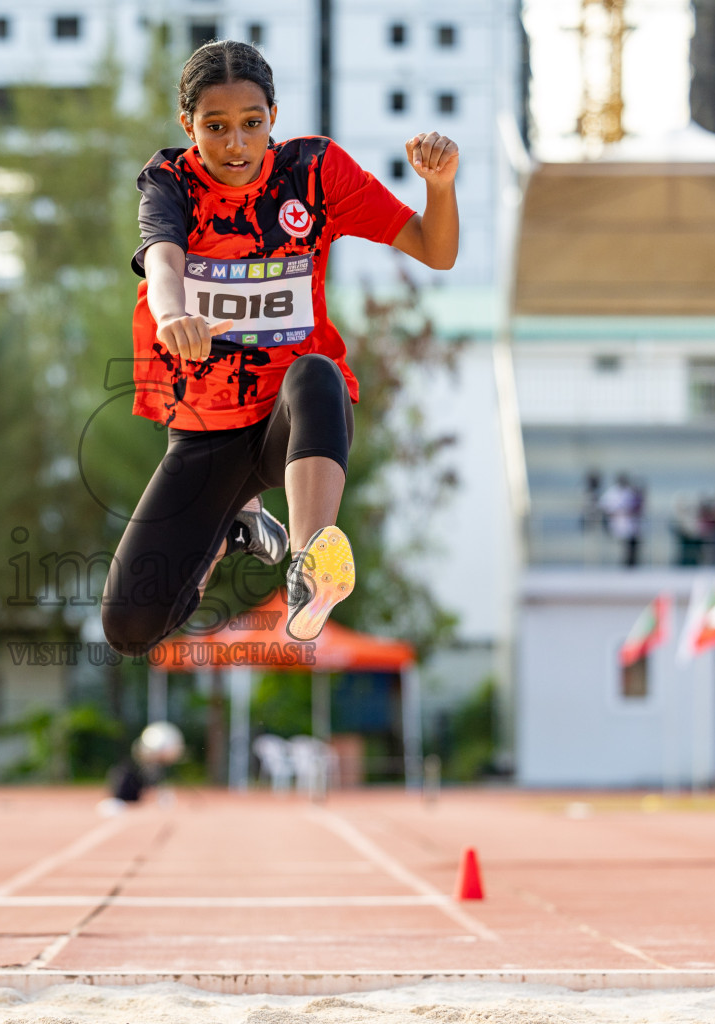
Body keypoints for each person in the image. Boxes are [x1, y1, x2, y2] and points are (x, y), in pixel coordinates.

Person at [101, 40, 459, 653]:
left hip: (290, 426)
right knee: (128, 629)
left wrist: (441, 187)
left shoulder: (313, 173)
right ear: (189, 126)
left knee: (317, 372)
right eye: (215, 128)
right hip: (205, 435)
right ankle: (231, 524)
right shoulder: (170, 182)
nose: (236, 145)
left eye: (251, 125)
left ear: (273, 118)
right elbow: (162, 261)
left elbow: (436, 249)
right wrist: (173, 314)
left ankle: (306, 567)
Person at [598, 474, 641, 567]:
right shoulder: (612, 492)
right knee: (623, 539)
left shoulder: (629, 492)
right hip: (615, 523)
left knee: (633, 540)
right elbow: (604, 507)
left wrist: (627, 512)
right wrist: (615, 513)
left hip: (628, 523)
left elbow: (635, 508)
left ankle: (630, 562)